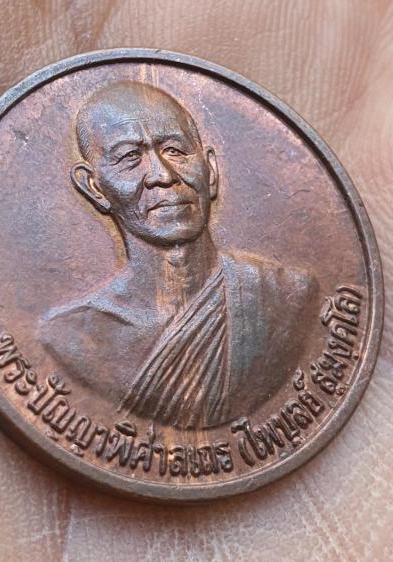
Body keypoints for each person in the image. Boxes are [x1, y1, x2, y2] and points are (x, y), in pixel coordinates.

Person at [39, 80, 318, 429]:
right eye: (129, 158)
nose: (162, 175)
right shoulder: (73, 337)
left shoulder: (286, 298)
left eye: (175, 150)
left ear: (210, 170)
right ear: (94, 187)